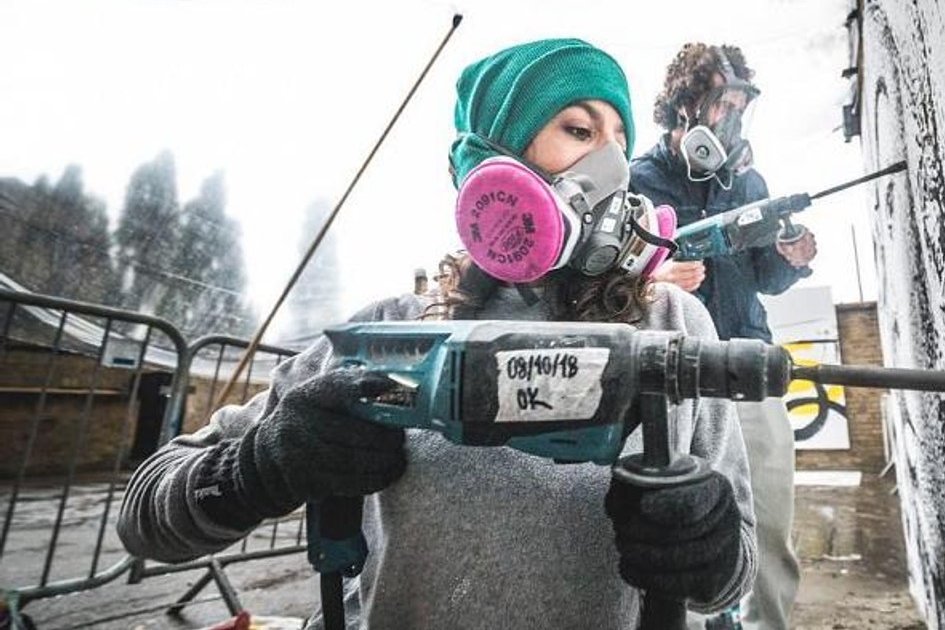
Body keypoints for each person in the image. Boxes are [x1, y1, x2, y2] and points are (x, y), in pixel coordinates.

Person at [118, 39, 758, 629]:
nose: (612, 167)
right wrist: (254, 469)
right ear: (495, 167)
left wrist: (710, 546)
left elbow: (735, 578)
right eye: (580, 130)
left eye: (620, 139)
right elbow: (146, 518)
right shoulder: (392, 331)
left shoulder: (672, 327)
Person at [630, 43, 817, 630]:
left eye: (739, 104)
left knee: (766, 525)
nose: (729, 117)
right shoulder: (637, 180)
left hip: (749, 371)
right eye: (720, 103)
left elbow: (766, 277)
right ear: (684, 107)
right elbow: (602, 284)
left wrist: (792, 258)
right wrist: (650, 281)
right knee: (669, 530)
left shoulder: (749, 180)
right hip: (670, 380)